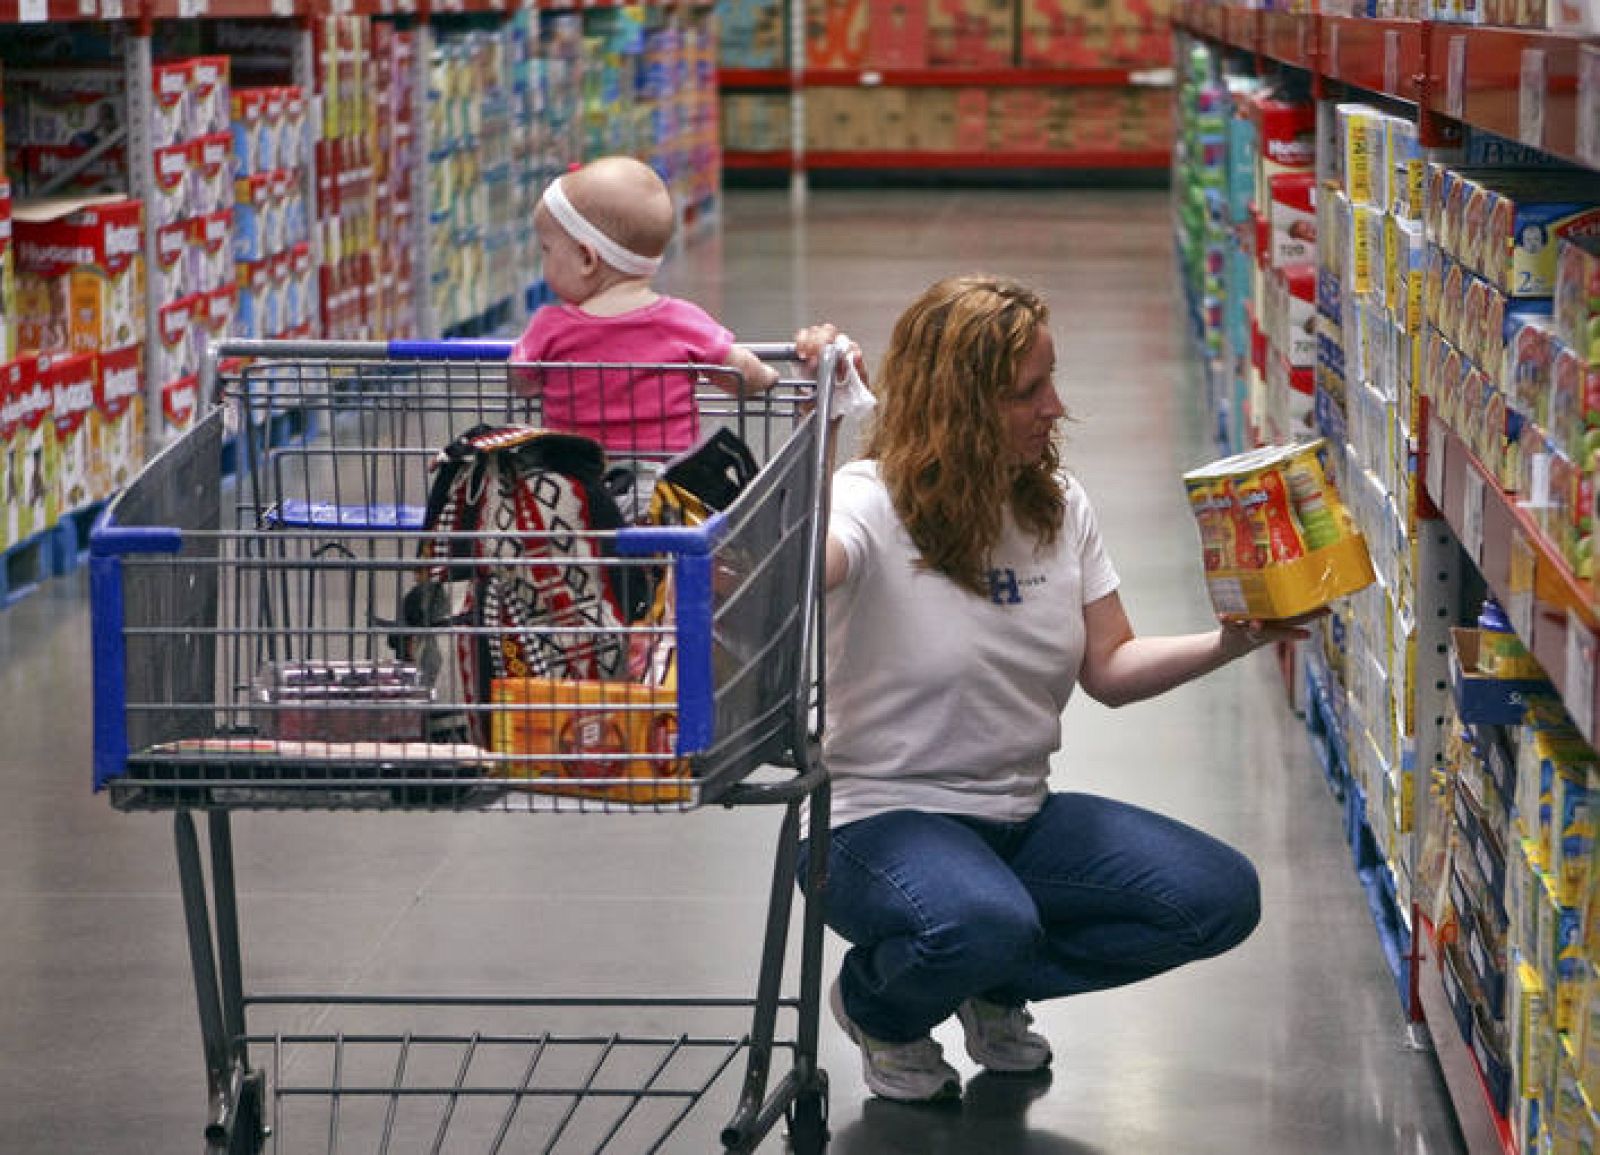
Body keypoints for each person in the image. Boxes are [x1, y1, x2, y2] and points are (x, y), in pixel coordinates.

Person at [794, 276, 1309, 1104]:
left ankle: (987, 982)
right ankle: (878, 1005)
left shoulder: (1058, 508)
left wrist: (1235, 639)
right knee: (983, 919)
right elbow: (801, 568)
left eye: (1052, 378)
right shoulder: (869, 503)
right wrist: (819, 426)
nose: (1056, 406)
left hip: (1017, 819)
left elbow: (1110, 669)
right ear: (961, 404)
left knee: (1217, 897)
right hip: (872, 828)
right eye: (1028, 390)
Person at [511, 156, 779, 458]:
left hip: (577, 484)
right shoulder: (682, 321)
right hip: (666, 488)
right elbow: (740, 374)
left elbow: (522, 382)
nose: (543, 262)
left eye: (547, 249)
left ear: (587, 259)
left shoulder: (550, 326)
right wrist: (767, 376)